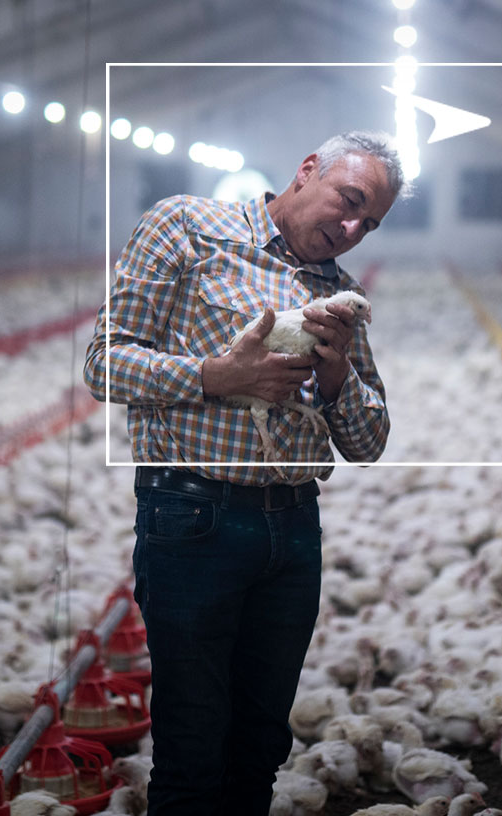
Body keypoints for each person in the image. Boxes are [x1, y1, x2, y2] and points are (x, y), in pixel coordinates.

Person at [83, 130, 408, 815]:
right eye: (347, 202)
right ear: (307, 169)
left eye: (368, 223)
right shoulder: (187, 228)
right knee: (194, 747)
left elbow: (370, 441)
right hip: (194, 518)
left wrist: (336, 372)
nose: (351, 228)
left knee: (260, 747)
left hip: (292, 529)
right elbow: (103, 362)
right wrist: (216, 376)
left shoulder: (338, 297)